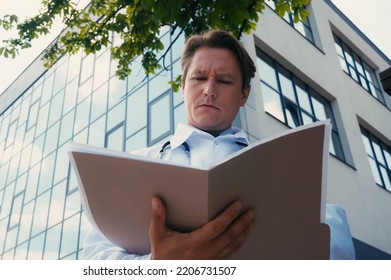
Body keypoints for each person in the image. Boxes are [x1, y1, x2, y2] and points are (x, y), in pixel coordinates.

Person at [80, 29, 355, 260]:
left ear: (244, 94)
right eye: (199, 78)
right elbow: (94, 259)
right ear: (182, 86)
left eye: (224, 81)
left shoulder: (283, 168)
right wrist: (157, 264)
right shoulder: (134, 165)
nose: (209, 90)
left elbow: (335, 238)